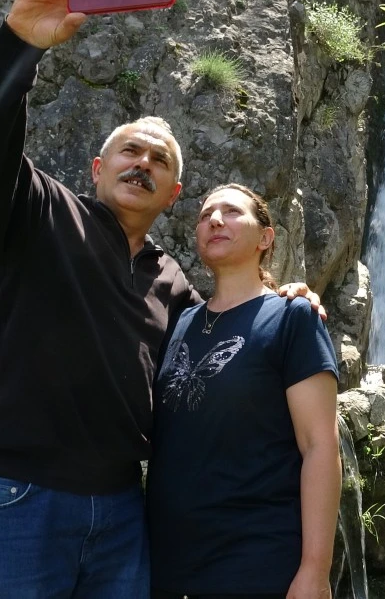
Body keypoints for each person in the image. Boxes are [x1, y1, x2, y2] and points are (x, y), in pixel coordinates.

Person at [0, 0, 324, 598]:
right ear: (98, 169)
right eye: (130, 151)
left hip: (124, 510)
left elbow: (226, 333)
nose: (143, 163)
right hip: (22, 495)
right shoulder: (36, 211)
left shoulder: (172, 281)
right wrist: (18, 43)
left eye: (159, 160)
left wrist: (285, 295)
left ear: (172, 195)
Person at [147, 184, 342, 599]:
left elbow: (320, 447)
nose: (215, 220)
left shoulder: (293, 318)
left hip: (256, 563)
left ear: (265, 238)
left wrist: (315, 570)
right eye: (205, 215)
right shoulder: (180, 321)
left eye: (232, 212)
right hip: (167, 565)